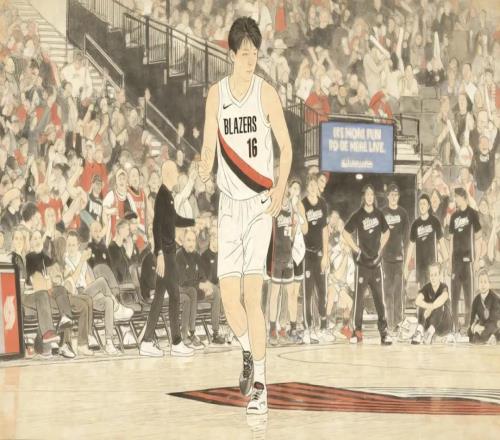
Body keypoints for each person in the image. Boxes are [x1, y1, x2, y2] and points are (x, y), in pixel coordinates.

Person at [198, 17, 293, 415]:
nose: (252, 59)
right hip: (228, 207)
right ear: (232, 54)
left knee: (252, 297)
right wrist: (203, 169)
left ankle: (261, 389)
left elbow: (286, 148)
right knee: (228, 299)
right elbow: (208, 148)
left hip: (258, 206)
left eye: (256, 53)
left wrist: (281, 188)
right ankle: (248, 352)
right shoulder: (216, 95)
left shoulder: (265, 93)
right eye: (245, 53)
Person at [139, 160, 200, 358]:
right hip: (166, 255)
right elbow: (156, 226)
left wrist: (194, 221)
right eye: (175, 172)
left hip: (168, 253)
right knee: (173, 296)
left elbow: (175, 220)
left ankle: (148, 341)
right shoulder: (162, 196)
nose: (177, 175)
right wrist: (159, 255)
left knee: (160, 298)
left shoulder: (168, 196)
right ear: (167, 174)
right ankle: (175, 342)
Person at [342, 185, 392, 345]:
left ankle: (384, 333)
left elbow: (387, 232)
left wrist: (380, 248)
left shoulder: (379, 214)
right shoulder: (358, 215)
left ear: (373, 197)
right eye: (367, 194)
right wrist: (356, 249)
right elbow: (345, 232)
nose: (370, 197)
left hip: (376, 265)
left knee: (379, 300)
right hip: (362, 265)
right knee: (359, 300)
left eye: (372, 194)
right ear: (364, 197)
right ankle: (357, 332)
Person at [302, 174, 331, 344]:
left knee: (322, 291)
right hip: (307, 253)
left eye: (315, 185)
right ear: (307, 187)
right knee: (307, 293)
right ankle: (307, 328)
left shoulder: (323, 204)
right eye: (310, 185)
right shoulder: (303, 204)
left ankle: (323, 327)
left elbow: (325, 231)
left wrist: (326, 254)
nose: (313, 188)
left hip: (320, 253)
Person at [448, 188, 482, 333]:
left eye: (457, 197)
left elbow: (479, 237)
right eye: (455, 197)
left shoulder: (473, 213)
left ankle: (468, 325)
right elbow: (450, 240)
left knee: (469, 296)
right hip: (456, 262)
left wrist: (477, 259)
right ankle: (455, 326)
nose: (455, 199)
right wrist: (449, 262)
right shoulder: (453, 216)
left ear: (463, 197)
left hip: (468, 261)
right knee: (454, 296)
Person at [405, 194, 449, 288]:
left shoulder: (435, 221)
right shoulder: (415, 224)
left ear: (428, 206)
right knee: (422, 291)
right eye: (420, 204)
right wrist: (406, 265)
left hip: (432, 265)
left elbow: (442, 242)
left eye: (424, 204)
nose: (422, 206)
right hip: (420, 265)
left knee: (433, 291)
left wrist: (446, 261)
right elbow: (411, 246)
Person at [382, 184, 409, 330]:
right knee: (388, 293)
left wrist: (407, 262)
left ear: (398, 197)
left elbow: (407, 238)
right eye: (391, 194)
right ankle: (390, 324)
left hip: (399, 260)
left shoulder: (403, 213)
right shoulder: (383, 212)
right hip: (386, 259)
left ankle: (398, 324)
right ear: (388, 196)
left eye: (396, 195)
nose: (394, 197)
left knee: (398, 293)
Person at [411, 263, 453, 345]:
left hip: (444, 324)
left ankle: (429, 333)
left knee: (439, 305)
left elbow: (444, 297)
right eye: (431, 275)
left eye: (435, 275)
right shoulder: (427, 287)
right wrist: (428, 306)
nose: (433, 278)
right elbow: (417, 300)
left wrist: (431, 307)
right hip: (431, 323)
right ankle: (420, 331)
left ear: (440, 275)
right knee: (422, 305)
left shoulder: (443, 287)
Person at [468, 270, 500, 344]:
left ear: (489, 284)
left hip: (494, 327)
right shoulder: (476, 300)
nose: (483, 285)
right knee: (472, 336)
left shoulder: (495, 299)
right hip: (481, 328)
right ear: (478, 284)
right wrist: (474, 327)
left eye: (485, 282)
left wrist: (482, 328)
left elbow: (495, 321)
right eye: (481, 282)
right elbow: (471, 320)